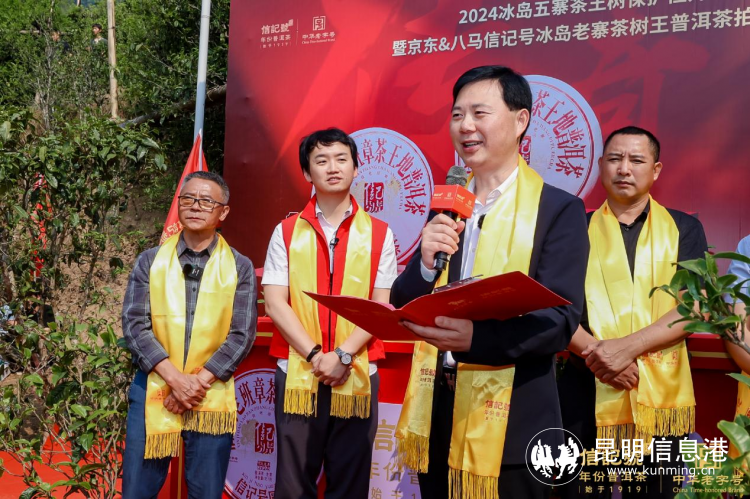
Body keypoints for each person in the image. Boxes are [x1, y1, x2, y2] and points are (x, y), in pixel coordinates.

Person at [392, 65, 589, 499]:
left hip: (516, 420)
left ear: (521, 121)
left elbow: (560, 320)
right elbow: (404, 299)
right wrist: (424, 264)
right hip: (438, 414)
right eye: (457, 115)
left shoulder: (557, 210)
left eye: (479, 113)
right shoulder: (448, 206)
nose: (465, 126)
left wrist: (475, 339)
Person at [557, 126, 709, 498]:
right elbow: (555, 306)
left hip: (658, 388)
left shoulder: (684, 228)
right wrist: (600, 357)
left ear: (655, 170)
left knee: (655, 490)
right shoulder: (573, 227)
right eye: (615, 159)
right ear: (600, 166)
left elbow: (693, 307)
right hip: (586, 383)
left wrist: (624, 350)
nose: (624, 168)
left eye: (636, 160)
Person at [262, 128, 397, 499]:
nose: (332, 168)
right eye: (321, 161)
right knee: (292, 484)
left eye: (341, 159)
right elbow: (274, 302)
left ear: (356, 169)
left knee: (351, 482)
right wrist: (314, 355)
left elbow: (380, 305)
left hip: (357, 369)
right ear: (308, 173)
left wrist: (342, 355)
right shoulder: (286, 232)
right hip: (298, 371)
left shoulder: (380, 234)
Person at [122, 171, 257, 499]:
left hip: (209, 393)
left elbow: (241, 335)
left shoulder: (239, 267)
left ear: (223, 212)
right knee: (137, 490)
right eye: (188, 199)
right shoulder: (150, 261)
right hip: (154, 387)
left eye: (206, 201)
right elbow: (135, 325)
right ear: (179, 204)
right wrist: (175, 379)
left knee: (206, 492)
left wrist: (194, 384)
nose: (196, 206)